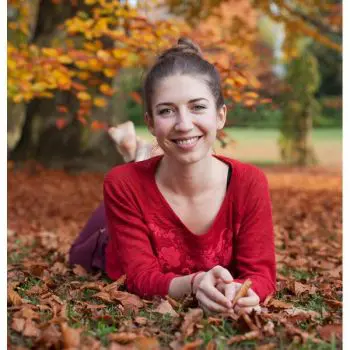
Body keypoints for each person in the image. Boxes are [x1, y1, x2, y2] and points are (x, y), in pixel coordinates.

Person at [69, 38, 276, 315]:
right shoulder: (121, 184)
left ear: (221, 116)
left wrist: (244, 293)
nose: (183, 124)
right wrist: (195, 283)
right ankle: (135, 157)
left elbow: (261, 273)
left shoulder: (250, 182)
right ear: (151, 123)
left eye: (198, 107)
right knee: (123, 192)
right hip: (111, 228)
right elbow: (139, 277)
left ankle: (136, 154)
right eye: (166, 111)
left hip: (151, 182)